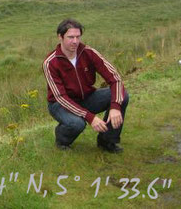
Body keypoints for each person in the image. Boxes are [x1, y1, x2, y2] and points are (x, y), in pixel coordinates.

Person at [42, 19, 129, 152]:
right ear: (60, 37)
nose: (75, 41)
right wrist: (90, 117)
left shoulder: (89, 53)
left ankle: (107, 142)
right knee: (77, 123)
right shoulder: (50, 62)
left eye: (78, 37)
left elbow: (115, 79)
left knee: (121, 95)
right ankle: (62, 141)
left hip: (87, 97)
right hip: (59, 104)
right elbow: (60, 97)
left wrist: (115, 106)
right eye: (70, 37)